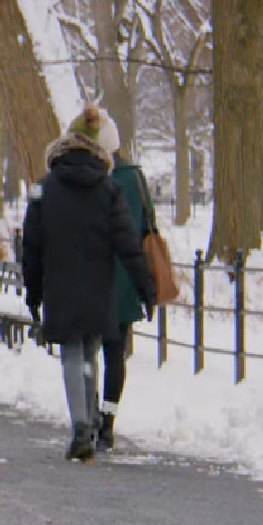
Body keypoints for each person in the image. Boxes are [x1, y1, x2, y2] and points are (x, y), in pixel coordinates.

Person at [22, 105, 156, 463]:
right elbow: (128, 244)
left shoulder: (45, 188)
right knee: (90, 351)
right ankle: (92, 419)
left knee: (71, 352)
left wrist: (32, 292)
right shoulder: (108, 190)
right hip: (99, 284)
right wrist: (145, 288)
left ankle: (80, 425)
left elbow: (31, 246)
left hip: (60, 284)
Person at [97, 117, 154, 453]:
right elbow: (147, 224)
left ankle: (89, 415)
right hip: (127, 276)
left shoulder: (94, 178)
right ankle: (108, 420)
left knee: (88, 350)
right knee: (115, 354)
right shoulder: (133, 177)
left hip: (94, 276)